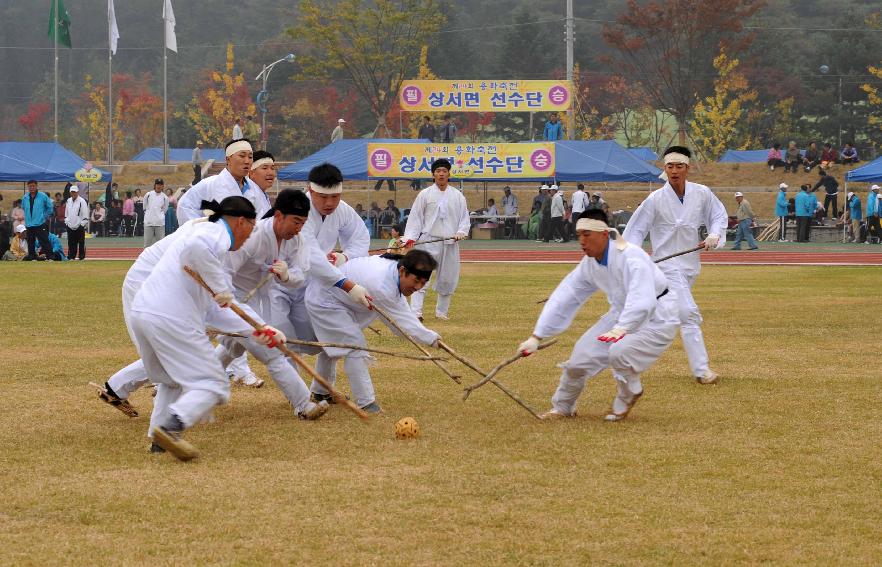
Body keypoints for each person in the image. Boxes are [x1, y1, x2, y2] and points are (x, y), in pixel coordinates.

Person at [128, 196, 272, 460]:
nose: (249, 238)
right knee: (213, 383)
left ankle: (158, 440)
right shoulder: (212, 233)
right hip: (170, 316)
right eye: (251, 230)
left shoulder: (209, 241)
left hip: (145, 311)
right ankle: (172, 428)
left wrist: (259, 329)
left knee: (171, 380)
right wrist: (221, 288)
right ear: (241, 222)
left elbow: (219, 308)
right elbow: (198, 252)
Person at [518, 210, 680, 421]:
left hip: (657, 316)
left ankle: (628, 394)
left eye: (587, 235)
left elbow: (643, 299)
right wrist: (537, 336)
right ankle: (563, 407)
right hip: (620, 315)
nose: (582, 241)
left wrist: (623, 328)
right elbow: (567, 294)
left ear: (604, 234)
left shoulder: (631, 256)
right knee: (578, 361)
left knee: (619, 352)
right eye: (579, 236)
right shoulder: (590, 264)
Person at [213, 189, 330, 418]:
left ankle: (184, 386)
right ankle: (303, 405)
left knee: (232, 347)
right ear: (278, 216)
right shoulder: (253, 235)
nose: (298, 228)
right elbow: (224, 269)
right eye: (295, 221)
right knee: (272, 349)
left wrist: (286, 275)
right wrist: (226, 299)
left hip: (256, 301)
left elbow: (301, 274)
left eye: (303, 223)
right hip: (231, 298)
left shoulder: (297, 240)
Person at [622, 146, 727, 385]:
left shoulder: (702, 193)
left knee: (659, 316)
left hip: (690, 265)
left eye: (679, 166)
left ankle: (623, 351)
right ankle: (702, 371)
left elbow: (719, 216)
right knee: (689, 314)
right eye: (670, 166)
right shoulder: (655, 199)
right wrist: (633, 260)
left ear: (688, 168)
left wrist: (714, 235)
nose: (674, 171)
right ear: (664, 169)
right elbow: (635, 230)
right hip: (665, 267)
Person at [268, 164, 372, 405]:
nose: (329, 203)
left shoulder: (343, 211)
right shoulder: (299, 211)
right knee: (284, 341)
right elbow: (312, 256)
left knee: (326, 332)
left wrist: (343, 257)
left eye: (335, 196)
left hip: (313, 284)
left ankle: (321, 390)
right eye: (323, 197)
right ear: (310, 191)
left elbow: (359, 239)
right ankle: (300, 400)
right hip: (279, 284)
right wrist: (348, 285)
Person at [306, 250, 442, 413]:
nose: (418, 287)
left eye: (423, 282)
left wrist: (429, 337)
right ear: (402, 271)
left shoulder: (393, 273)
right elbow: (401, 323)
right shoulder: (381, 284)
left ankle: (321, 392)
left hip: (344, 301)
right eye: (416, 280)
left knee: (335, 345)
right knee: (355, 346)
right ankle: (366, 402)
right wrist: (431, 339)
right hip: (325, 299)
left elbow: (402, 316)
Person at [403, 158, 470, 321]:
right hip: (429, 241)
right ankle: (416, 313)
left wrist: (461, 232)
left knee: (448, 277)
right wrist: (410, 237)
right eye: (438, 171)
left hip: (450, 242)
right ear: (433, 174)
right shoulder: (425, 194)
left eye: (444, 171)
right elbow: (416, 217)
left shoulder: (457, 196)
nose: (441, 174)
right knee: (421, 274)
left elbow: (464, 218)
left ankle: (441, 313)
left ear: (449, 174)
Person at [177, 139, 256, 223]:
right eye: (242, 156)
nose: (247, 161)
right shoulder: (210, 184)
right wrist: (203, 231)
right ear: (228, 159)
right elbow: (185, 206)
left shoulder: (253, 188)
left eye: (250, 157)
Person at [21, 180, 53, 261]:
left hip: (40, 223)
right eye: (30, 186)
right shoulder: (25, 197)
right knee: (30, 242)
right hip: (29, 224)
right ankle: (32, 257)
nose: (31, 188)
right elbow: (23, 207)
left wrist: (44, 216)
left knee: (44, 241)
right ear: (28, 187)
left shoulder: (43, 196)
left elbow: (50, 207)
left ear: (36, 186)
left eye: (33, 186)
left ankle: (50, 257)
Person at [245, 150, 276, 218]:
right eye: (265, 168)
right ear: (251, 173)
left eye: (272, 168)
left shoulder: (260, 193)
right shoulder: (249, 194)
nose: (270, 173)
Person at [64, 186, 89, 260]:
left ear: (78, 192)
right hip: (70, 225)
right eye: (72, 192)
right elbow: (66, 213)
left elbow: (85, 214)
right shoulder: (68, 200)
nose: (73, 193)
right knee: (71, 243)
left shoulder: (82, 201)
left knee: (81, 242)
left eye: (75, 192)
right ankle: (71, 256)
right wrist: (67, 222)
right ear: (70, 192)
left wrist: (82, 224)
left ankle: (81, 257)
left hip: (79, 226)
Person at [143, 179, 170, 247]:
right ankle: (146, 257)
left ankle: (160, 257)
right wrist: (148, 214)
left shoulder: (165, 197)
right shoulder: (148, 194)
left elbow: (165, 210)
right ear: (154, 185)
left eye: (160, 185)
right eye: (157, 184)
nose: (159, 186)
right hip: (148, 223)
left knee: (161, 244)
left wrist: (160, 216)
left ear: (163, 186)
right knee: (147, 244)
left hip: (160, 223)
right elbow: (144, 207)